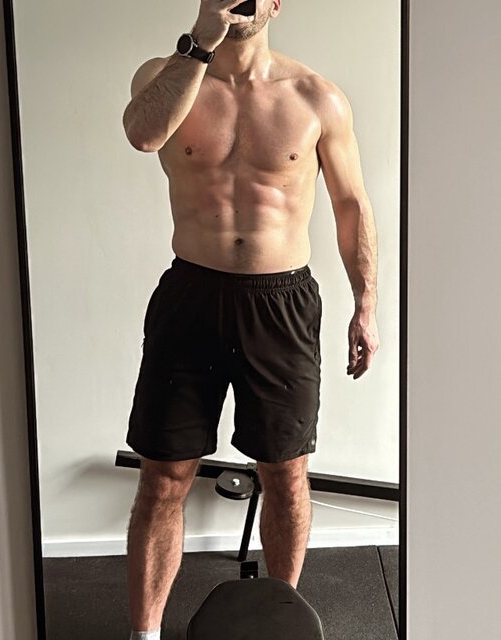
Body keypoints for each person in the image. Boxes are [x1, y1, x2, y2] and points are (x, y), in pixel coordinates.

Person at [122, 1, 379, 638]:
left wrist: (366, 305)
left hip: (281, 303)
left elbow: (351, 205)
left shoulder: (317, 98)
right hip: (190, 297)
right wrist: (202, 40)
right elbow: (143, 136)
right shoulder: (165, 75)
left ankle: (279, 622)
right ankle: (144, 634)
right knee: (164, 476)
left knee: (285, 473)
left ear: (276, 4)